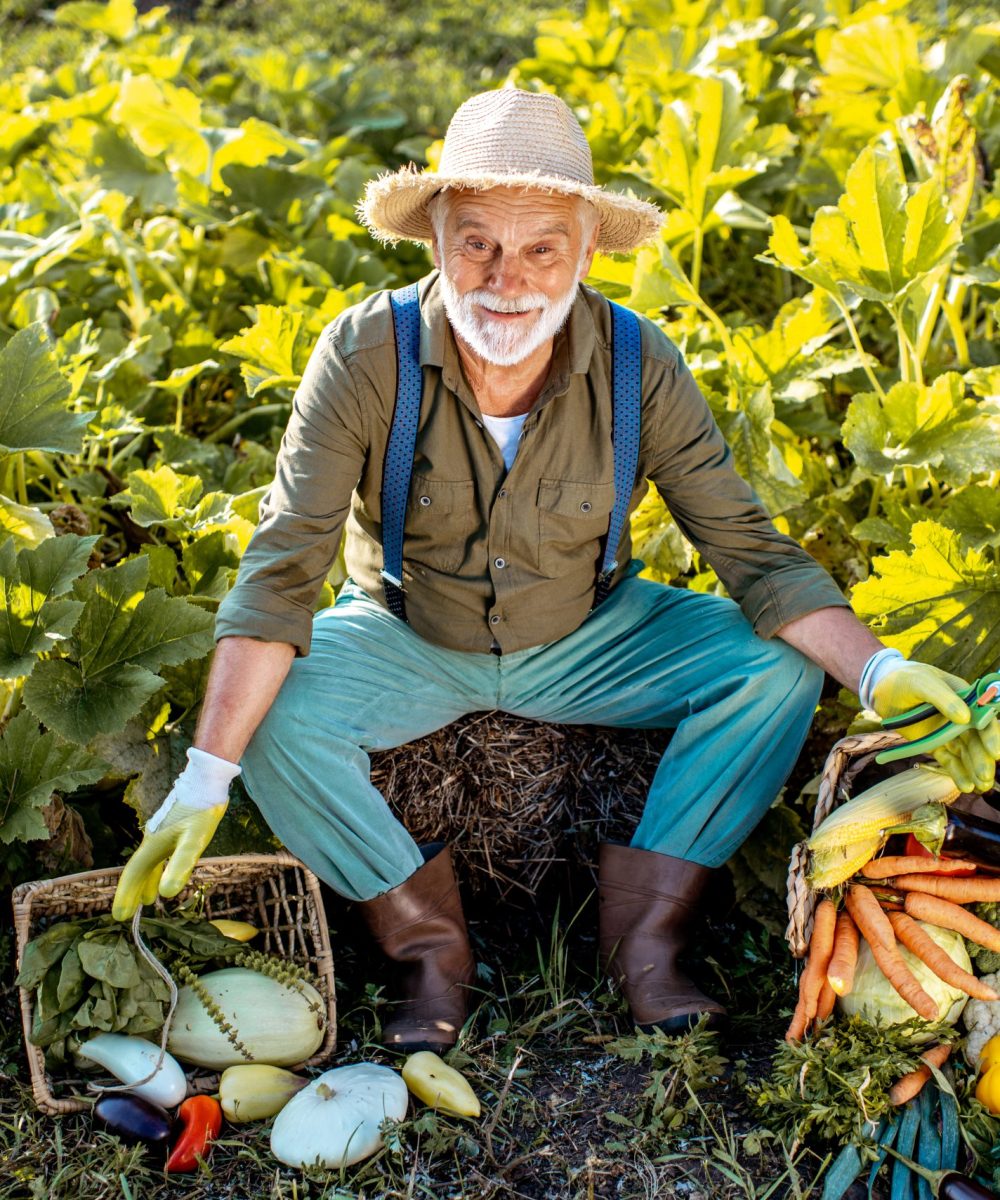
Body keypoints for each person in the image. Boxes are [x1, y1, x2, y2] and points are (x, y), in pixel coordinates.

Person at [112, 89, 1000, 1049]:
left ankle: (648, 946)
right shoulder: (365, 354)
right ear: (434, 241)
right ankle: (428, 958)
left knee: (771, 666)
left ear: (586, 252)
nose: (507, 277)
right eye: (477, 242)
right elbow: (285, 564)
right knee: (277, 712)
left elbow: (748, 550)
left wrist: (875, 671)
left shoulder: (638, 362)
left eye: (542, 247)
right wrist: (204, 777)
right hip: (408, 635)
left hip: (593, 634)